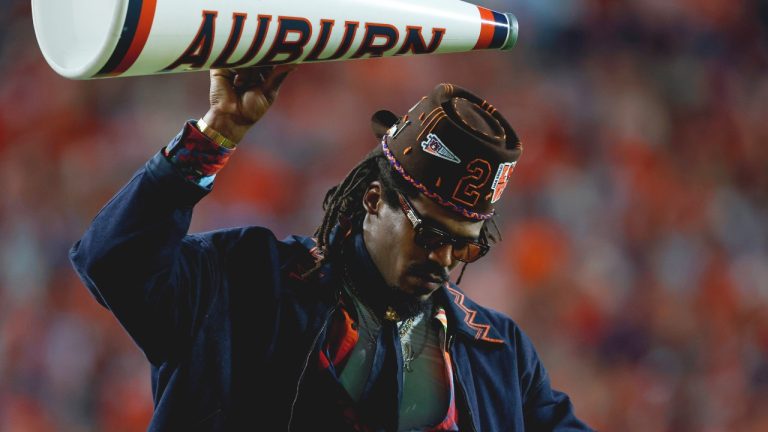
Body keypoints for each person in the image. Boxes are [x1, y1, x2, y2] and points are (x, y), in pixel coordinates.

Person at [70, 65, 593, 431]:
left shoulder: (498, 354)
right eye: (430, 234)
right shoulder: (247, 284)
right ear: (372, 199)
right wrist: (215, 135)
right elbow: (113, 259)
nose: (444, 260)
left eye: (465, 248)